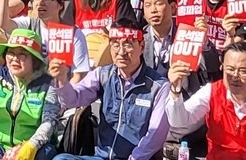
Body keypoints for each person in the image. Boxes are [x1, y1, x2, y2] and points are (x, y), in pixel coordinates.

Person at [51, 20, 171, 160]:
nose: (121, 52)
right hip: (101, 157)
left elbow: (155, 135)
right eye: (115, 44)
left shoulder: (159, 86)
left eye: (128, 44)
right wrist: (61, 81)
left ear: (142, 46)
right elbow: (73, 99)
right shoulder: (103, 74)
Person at [168, 40, 246, 160]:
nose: (235, 76)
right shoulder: (211, 92)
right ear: (222, 68)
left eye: (243, 71)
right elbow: (179, 122)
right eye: (230, 69)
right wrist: (175, 90)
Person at [0, 28, 61, 160]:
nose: (14, 59)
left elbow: (49, 123)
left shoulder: (49, 85)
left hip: (32, 146)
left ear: (35, 60)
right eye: (11, 53)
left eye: (22, 55)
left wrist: (30, 146)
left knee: (46, 153)